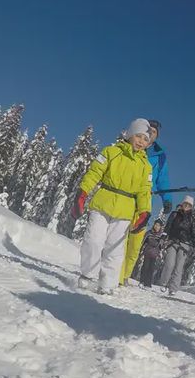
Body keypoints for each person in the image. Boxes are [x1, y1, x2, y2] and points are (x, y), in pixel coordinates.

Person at [73, 118, 153, 295]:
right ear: (130, 134)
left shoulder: (145, 166)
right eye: (138, 136)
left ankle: (107, 284)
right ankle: (87, 275)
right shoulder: (111, 152)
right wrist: (83, 193)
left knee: (115, 249)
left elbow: (144, 191)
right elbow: (95, 172)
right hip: (103, 203)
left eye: (145, 139)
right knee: (93, 240)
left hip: (125, 211)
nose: (141, 141)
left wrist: (144, 212)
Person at [120, 117, 171, 285]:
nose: (150, 134)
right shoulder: (132, 144)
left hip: (145, 199)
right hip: (125, 195)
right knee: (120, 236)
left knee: (136, 239)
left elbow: (162, 179)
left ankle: (125, 275)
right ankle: (116, 274)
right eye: (148, 130)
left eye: (154, 132)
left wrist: (167, 198)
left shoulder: (159, 155)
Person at [158, 196, 195, 296]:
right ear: (182, 204)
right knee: (169, 264)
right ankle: (164, 283)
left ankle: (173, 288)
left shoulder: (192, 218)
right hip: (173, 241)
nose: (187, 206)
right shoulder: (175, 214)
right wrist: (163, 237)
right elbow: (168, 226)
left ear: (191, 207)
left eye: (189, 205)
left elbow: (193, 233)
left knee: (179, 267)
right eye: (185, 204)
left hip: (185, 243)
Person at [137, 219, 166, 288]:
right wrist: (141, 250)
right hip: (147, 252)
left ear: (160, 227)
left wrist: (162, 240)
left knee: (151, 268)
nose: (156, 227)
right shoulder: (149, 233)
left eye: (158, 225)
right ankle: (142, 281)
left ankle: (148, 283)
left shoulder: (161, 235)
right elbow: (143, 241)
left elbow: (162, 246)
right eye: (156, 225)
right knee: (145, 267)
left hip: (155, 254)